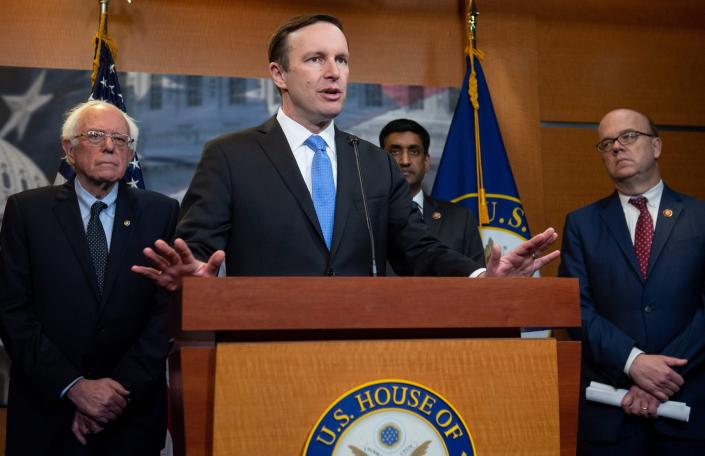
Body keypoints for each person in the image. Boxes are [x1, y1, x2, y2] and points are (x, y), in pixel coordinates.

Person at [132, 14, 558, 289]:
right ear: (278, 74)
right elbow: (197, 249)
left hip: (356, 355)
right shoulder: (230, 156)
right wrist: (192, 275)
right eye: (316, 59)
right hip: (261, 353)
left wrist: (482, 274)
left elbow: (416, 248)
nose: (334, 72)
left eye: (342, 59)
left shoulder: (372, 162)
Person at [0, 100, 178, 455]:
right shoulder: (27, 211)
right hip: (47, 414)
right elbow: (12, 312)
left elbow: (166, 314)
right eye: (96, 135)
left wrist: (112, 394)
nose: (110, 146)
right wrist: (75, 387)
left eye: (121, 139)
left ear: (130, 152)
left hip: (130, 414)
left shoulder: (161, 211)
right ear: (69, 147)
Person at [558, 108, 705, 454]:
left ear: (656, 146)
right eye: (607, 143)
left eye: (628, 137)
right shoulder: (582, 224)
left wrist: (660, 379)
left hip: (690, 406)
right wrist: (633, 362)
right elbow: (577, 308)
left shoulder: (701, 217)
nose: (616, 148)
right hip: (612, 413)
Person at [379, 118, 485, 275]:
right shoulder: (366, 216)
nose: (405, 161)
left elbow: (477, 280)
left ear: (427, 162)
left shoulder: (460, 218)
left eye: (414, 151)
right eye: (395, 152)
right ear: (380, 161)